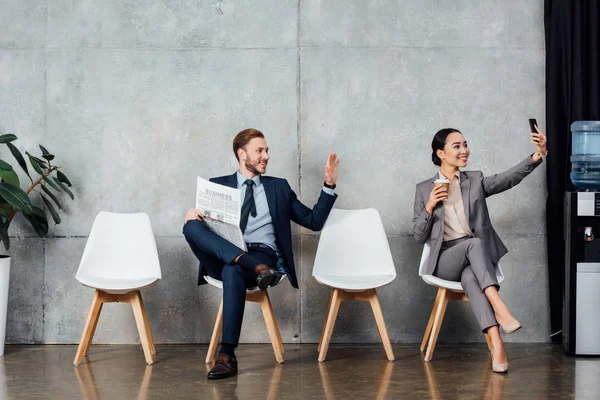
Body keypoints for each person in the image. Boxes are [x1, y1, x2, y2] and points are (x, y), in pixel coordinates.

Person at [183, 128, 340, 379]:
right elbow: (207, 233)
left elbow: (313, 221)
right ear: (241, 153)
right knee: (190, 225)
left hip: (261, 255)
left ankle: (226, 356)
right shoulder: (217, 185)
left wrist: (329, 184)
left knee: (233, 269)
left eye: (267, 150)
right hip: (226, 256)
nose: (266, 155)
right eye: (259, 151)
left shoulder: (278, 188)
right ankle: (247, 263)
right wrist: (195, 217)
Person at [412, 125, 547, 373]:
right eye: (457, 146)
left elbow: (507, 179)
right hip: (445, 260)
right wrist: (430, 205)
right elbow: (419, 236)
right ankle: (499, 306)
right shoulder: (424, 189)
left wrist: (537, 155)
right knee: (474, 244)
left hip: (474, 263)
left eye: (465, 145)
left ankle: (497, 344)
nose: (465, 150)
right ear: (440, 153)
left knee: (470, 277)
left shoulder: (473, 181)